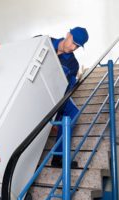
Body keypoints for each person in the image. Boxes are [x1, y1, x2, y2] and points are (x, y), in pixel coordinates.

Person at [50, 27, 89, 168]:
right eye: (73, 42)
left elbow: (67, 90)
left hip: (55, 97)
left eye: (77, 46)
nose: (73, 48)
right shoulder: (45, 42)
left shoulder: (73, 64)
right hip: (32, 92)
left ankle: (58, 158)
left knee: (73, 112)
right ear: (67, 34)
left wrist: (58, 118)